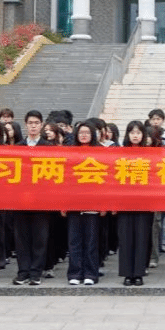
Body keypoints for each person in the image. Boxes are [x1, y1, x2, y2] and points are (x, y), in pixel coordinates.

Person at [11, 111, 51, 286]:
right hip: (21, 200)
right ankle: (23, 272)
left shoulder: (49, 147)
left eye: (36, 123)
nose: (33, 126)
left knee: (40, 238)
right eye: (30, 123)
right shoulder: (18, 147)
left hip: (42, 200)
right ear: (26, 125)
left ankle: (36, 272)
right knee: (22, 238)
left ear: (41, 125)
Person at [65, 122, 104, 286]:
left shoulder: (100, 152)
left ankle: (90, 273)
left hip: (93, 204)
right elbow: (65, 180)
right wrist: (63, 204)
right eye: (81, 132)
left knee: (91, 241)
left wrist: (104, 204)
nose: (84, 135)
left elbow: (106, 181)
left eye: (87, 132)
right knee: (74, 241)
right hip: (74, 204)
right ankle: (75, 273)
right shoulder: (70, 153)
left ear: (93, 134)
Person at [116, 121, 154, 286]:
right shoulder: (121, 153)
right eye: (132, 132)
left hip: (144, 202)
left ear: (143, 135)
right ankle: (127, 273)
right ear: (127, 135)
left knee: (141, 237)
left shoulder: (150, 154)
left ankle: (139, 273)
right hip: (124, 202)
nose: (135, 136)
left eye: (138, 132)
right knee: (125, 238)